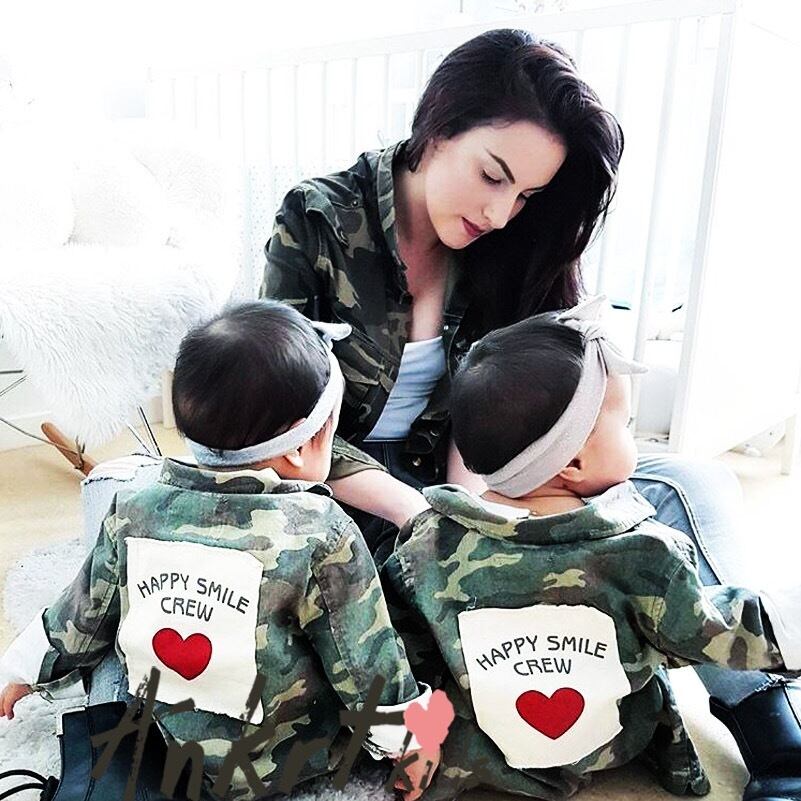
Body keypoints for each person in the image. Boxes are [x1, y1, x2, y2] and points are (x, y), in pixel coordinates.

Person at [261, 29, 801, 800]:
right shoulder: (316, 218)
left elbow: (518, 409)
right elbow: (283, 415)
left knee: (687, 484)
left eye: (525, 196)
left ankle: (772, 729)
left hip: (483, 480)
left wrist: (484, 502)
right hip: (343, 496)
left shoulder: (510, 244)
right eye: (492, 175)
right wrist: (430, 514)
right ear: (437, 126)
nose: (501, 211)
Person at [0, 300, 438, 801]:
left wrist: (21, 671)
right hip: (278, 763)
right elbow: (366, 661)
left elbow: (80, 617)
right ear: (300, 447)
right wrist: (410, 742)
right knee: (396, 622)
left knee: (115, 620)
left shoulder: (133, 508)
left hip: (169, 745)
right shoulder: (323, 532)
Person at [380, 299, 801, 800]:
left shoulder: (426, 547)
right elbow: (717, 630)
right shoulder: (645, 554)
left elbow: (400, 649)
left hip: (483, 757)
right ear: (574, 462)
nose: (634, 437)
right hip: (614, 744)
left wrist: (408, 738)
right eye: (626, 425)